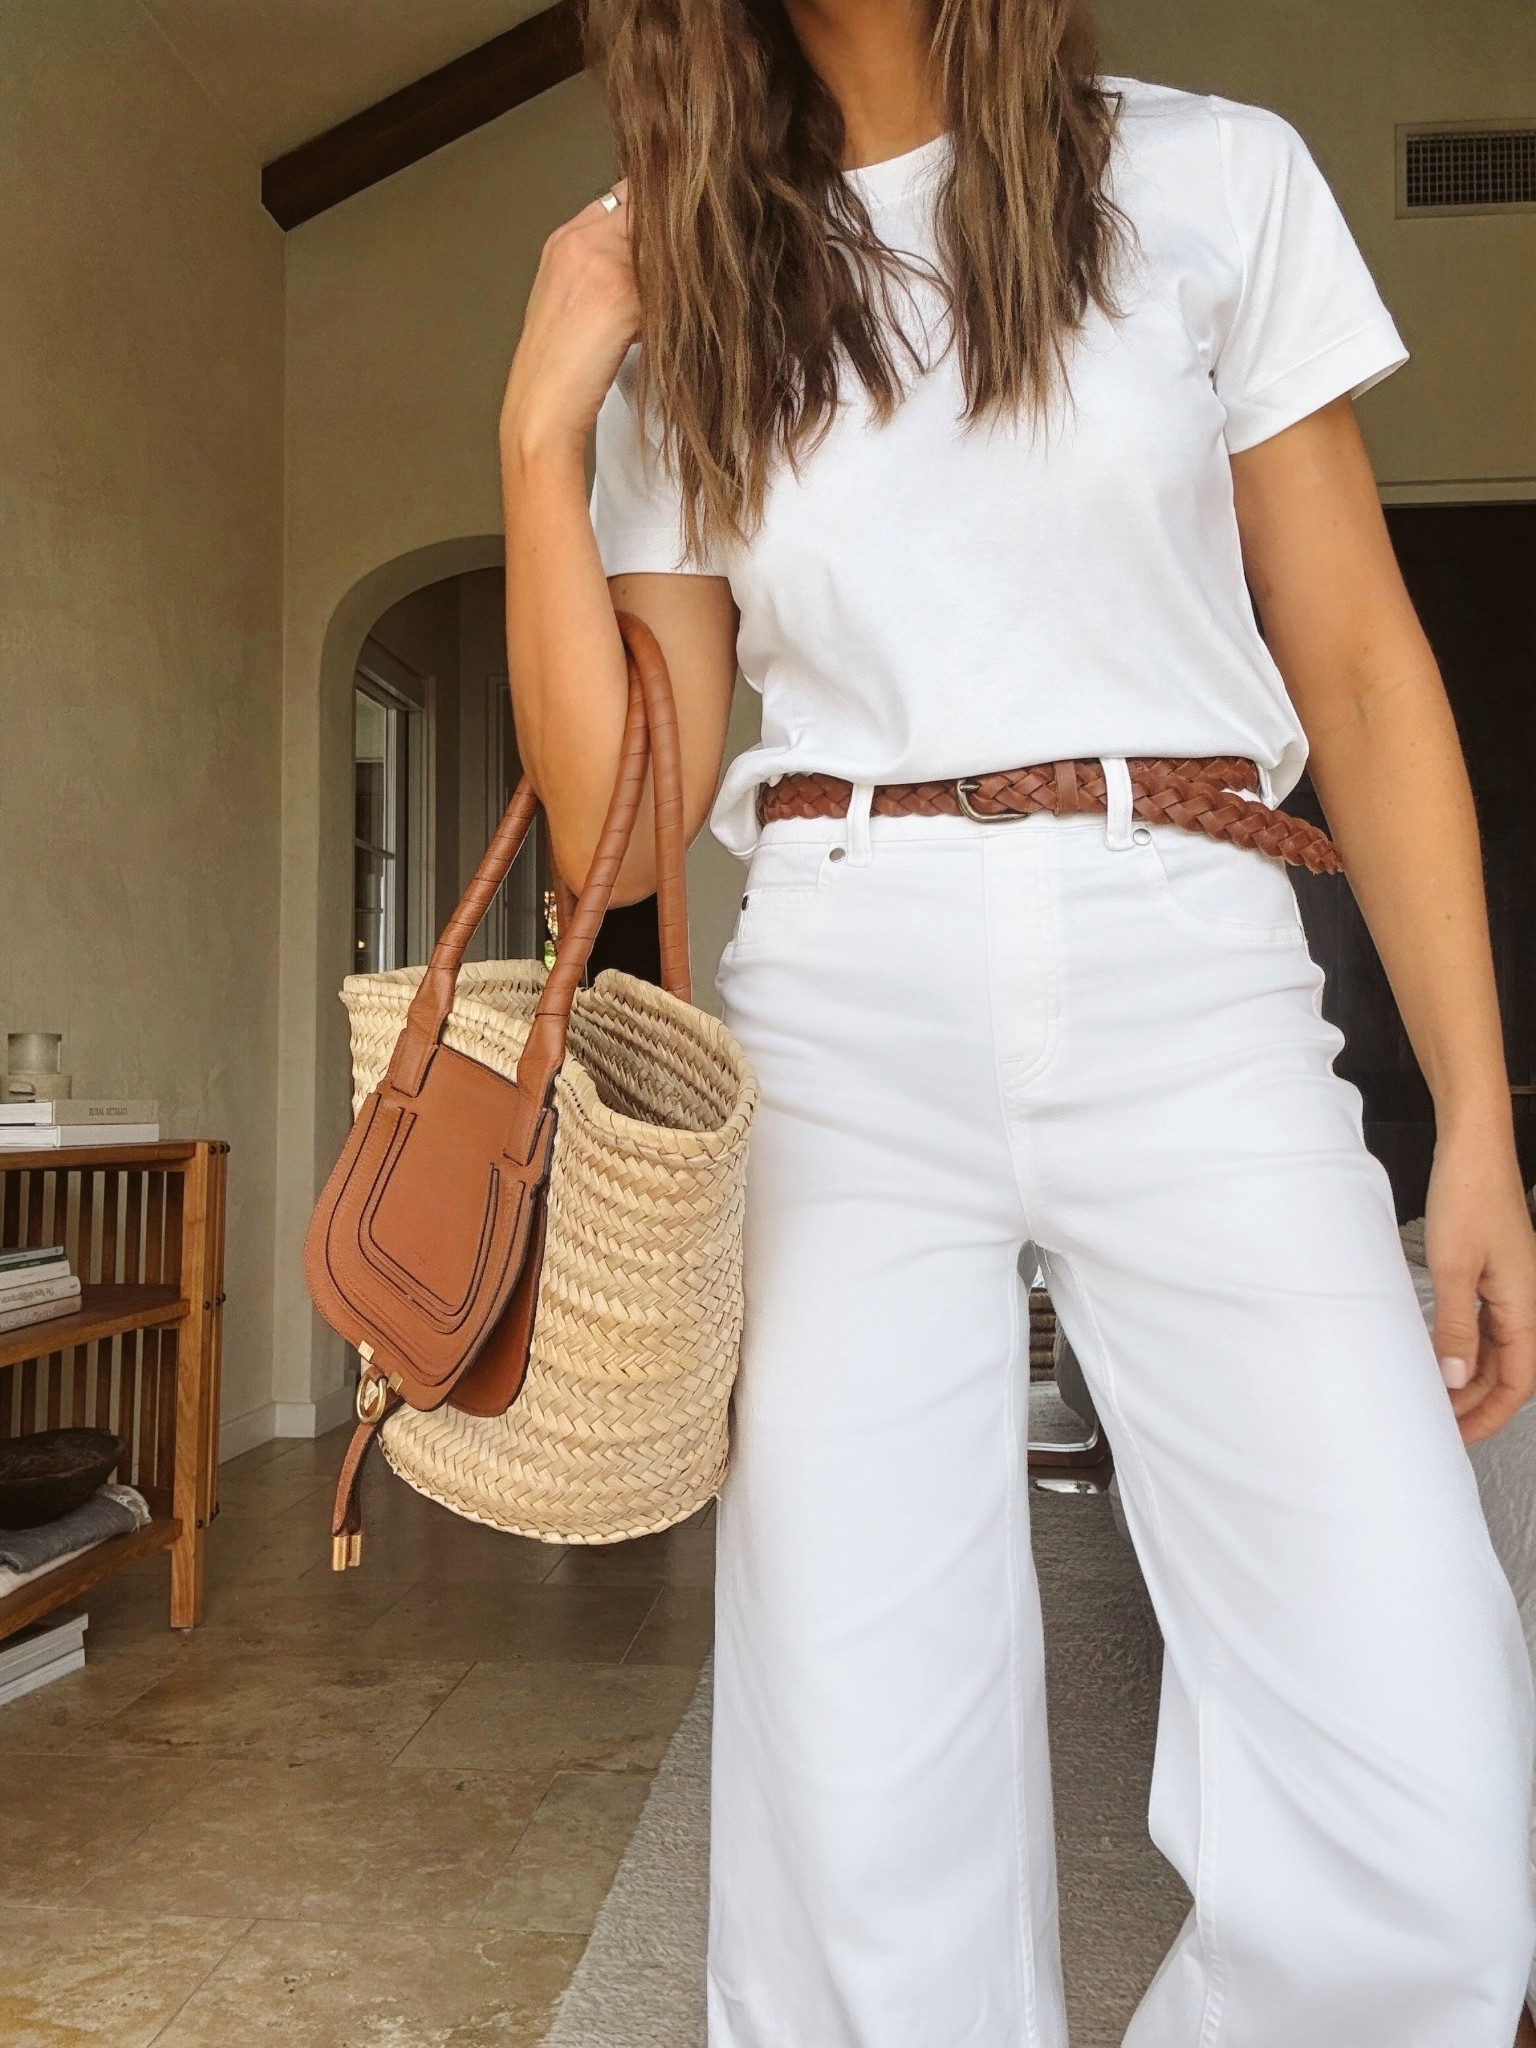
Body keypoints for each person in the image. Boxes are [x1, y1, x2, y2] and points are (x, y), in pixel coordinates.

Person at [497, 0, 1536, 2039]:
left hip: (1196, 945)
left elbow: (1364, 671)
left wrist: (1479, 1127)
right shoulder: (689, 265)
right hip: (841, 978)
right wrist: (541, 436)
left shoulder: (1208, 179)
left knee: (1423, 1798)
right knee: (855, 1805)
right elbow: (620, 816)